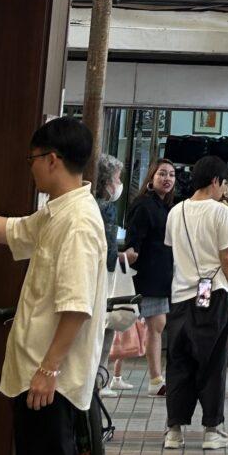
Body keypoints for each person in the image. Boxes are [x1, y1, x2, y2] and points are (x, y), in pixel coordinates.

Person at [0, 115, 107, 455]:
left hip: (50, 382)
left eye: (31, 158)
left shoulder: (78, 222)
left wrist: (48, 370)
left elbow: (76, 307)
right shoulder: (57, 211)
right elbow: (13, 232)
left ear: (52, 159)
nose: (30, 167)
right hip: (37, 374)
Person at [162, 154, 228, 454]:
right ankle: (212, 430)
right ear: (215, 181)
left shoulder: (176, 211)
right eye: (225, 183)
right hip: (214, 294)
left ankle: (174, 431)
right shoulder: (221, 212)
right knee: (212, 363)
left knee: (178, 362)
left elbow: (173, 251)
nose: (225, 190)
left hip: (180, 297)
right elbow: (227, 258)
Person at [124, 157, 175, 391]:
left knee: (155, 326)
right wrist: (128, 257)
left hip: (160, 276)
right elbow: (133, 240)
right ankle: (152, 379)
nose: (167, 179)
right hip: (146, 275)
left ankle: (155, 380)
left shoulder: (166, 207)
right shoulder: (144, 205)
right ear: (151, 177)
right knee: (131, 326)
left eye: (171, 175)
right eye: (162, 174)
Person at [94, 153, 133, 392]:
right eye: (117, 179)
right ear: (107, 181)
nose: (119, 184)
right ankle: (99, 383)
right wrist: (120, 258)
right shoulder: (106, 209)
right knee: (104, 333)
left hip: (90, 279)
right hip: (103, 283)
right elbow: (109, 253)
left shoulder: (88, 203)